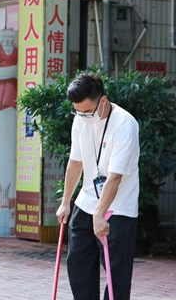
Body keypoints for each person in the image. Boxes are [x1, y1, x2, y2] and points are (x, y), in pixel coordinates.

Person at [56, 73, 140, 300]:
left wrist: (101, 213)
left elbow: (114, 177)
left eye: (86, 111)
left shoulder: (125, 124)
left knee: (116, 274)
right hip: (87, 200)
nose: (82, 116)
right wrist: (65, 202)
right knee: (78, 264)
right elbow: (75, 161)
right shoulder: (80, 120)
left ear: (102, 101)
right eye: (77, 111)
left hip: (118, 205)